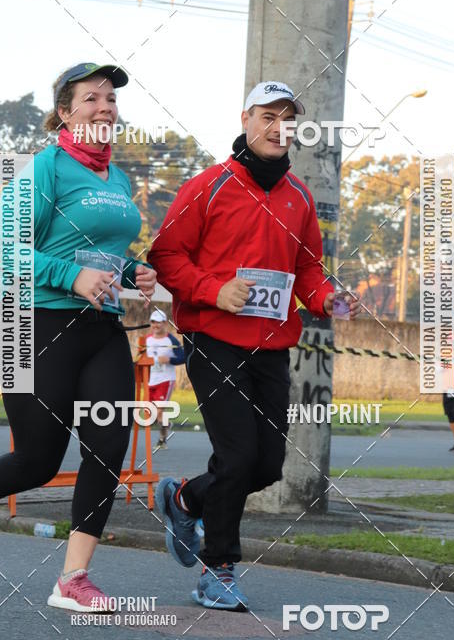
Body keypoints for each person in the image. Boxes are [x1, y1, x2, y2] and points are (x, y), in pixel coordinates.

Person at [0, 62, 157, 611]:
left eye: (111, 100)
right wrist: (71, 277)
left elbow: (97, 250)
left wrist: (131, 273)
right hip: (30, 323)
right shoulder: (43, 168)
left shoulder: (118, 179)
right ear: (65, 112)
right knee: (38, 456)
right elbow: (0, 249)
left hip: (100, 325)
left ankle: (73, 580)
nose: (105, 107)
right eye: (92, 99)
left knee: (108, 445)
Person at [148, 80, 361, 611]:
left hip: (271, 345)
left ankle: (184, 497)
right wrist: (214, 290)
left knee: (266, 465)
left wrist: (329, 299)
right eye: (267, 116)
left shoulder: (299, 198)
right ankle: (217, 571)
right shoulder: (208, 186)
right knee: (239, 455)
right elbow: (167, 256)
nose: (277, 127)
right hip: (213, 338)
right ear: (246, 119)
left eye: (287, 118)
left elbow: (308, 269)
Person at [145, 309, 185, 449]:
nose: (156, 325)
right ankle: (166, 425)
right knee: (150, 413)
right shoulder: (147, 340)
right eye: (153, 322)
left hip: (165, 380)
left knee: (159, 411)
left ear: (164, 324)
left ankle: (162, 440)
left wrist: (169, 359)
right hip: (150, 380)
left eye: (159, 322)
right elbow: (141, 357)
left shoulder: (170, 340)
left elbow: (183, 357)